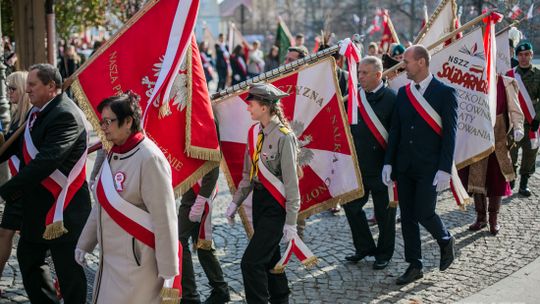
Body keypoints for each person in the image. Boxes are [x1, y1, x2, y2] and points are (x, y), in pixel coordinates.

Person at [76, 92, 179, 304]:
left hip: (139, 262)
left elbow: (165, 218)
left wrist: (169, 270)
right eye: (101, 122)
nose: (103, 127)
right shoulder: (115, 152)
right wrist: (84, 243)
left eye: (108, 121)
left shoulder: (149, 158)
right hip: (111, 260)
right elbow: (102, 204)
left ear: (128, 122)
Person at [0, 63, 91, 303]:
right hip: (37, 206)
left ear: (51, 86)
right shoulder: (37, 110)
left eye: (32, 84)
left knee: (68, 271)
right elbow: (18, 145)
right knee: (29, 259)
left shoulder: (66, 115)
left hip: (63, 207)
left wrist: (8, 190)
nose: (27, 90)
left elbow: (46, 161)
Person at [382, 45, 456, 285]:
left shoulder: (444, 92)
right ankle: (415, 265)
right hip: (405, 166)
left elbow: (450, 135)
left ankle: (445, 239)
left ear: (422, 62)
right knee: (408, 217)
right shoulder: (404, 93)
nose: (404, 66)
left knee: (424, 212)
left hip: (430, 167)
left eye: (407, 61)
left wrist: (445, 168)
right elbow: (396, 130)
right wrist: (388, 163)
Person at [226, 83, 300, 303]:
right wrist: (234, 203)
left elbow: (291, 185)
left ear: (265, 108)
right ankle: (281, 299)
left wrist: (291, 222)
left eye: (251, 104)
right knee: (270, 259)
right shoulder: (253, 132)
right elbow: (248, 175)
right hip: (260, 202)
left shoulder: (284, 137)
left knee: (251, 262)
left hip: (276, 207)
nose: (248, 108)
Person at [344, 56, 397, 269]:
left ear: (378, 74)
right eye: (358, 73)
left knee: (385, 213)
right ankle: (364, 246)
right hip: (359, 166)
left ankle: (384, 254)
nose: (360, 77)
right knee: (351, 206)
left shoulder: (393, 98)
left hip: (383, 167)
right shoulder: (355, 98)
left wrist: (391, 164)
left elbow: (396, 136)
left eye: (364, 73)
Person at [460, 75, 524, 235]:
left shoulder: (506, 82)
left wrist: (518, 126)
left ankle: (493, 220)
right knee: (477, 177)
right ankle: (481, 218)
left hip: (499, 137)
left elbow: (514, 108)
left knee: (497, 179)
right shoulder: (472, 80)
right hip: (476, 137)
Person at [0, 71, 33, 291]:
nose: (8, 93)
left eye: (12, 88)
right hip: (19, 186)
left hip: (27, 186)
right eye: (7, 88)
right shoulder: (16, 117)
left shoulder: (31, 117)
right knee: (5, 232)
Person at [179, 166, 231, 304]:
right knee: (202, 243)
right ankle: (220, 290)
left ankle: (190, 296)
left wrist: (200, 201)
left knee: (179, 241)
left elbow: (213, 165)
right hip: (191, 189)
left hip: (199, 192)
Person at [507, 41, 540, 197]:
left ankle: (524, 184)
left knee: (530, 154)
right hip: (514, 123)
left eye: (526, 54)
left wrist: (537, 119)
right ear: (517, 56)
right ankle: (511, 179)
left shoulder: (538, 74)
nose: (523, 57)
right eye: (520, 55)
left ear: (531, 55)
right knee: (511, 153)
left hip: (532, 122)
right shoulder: (510, 74)